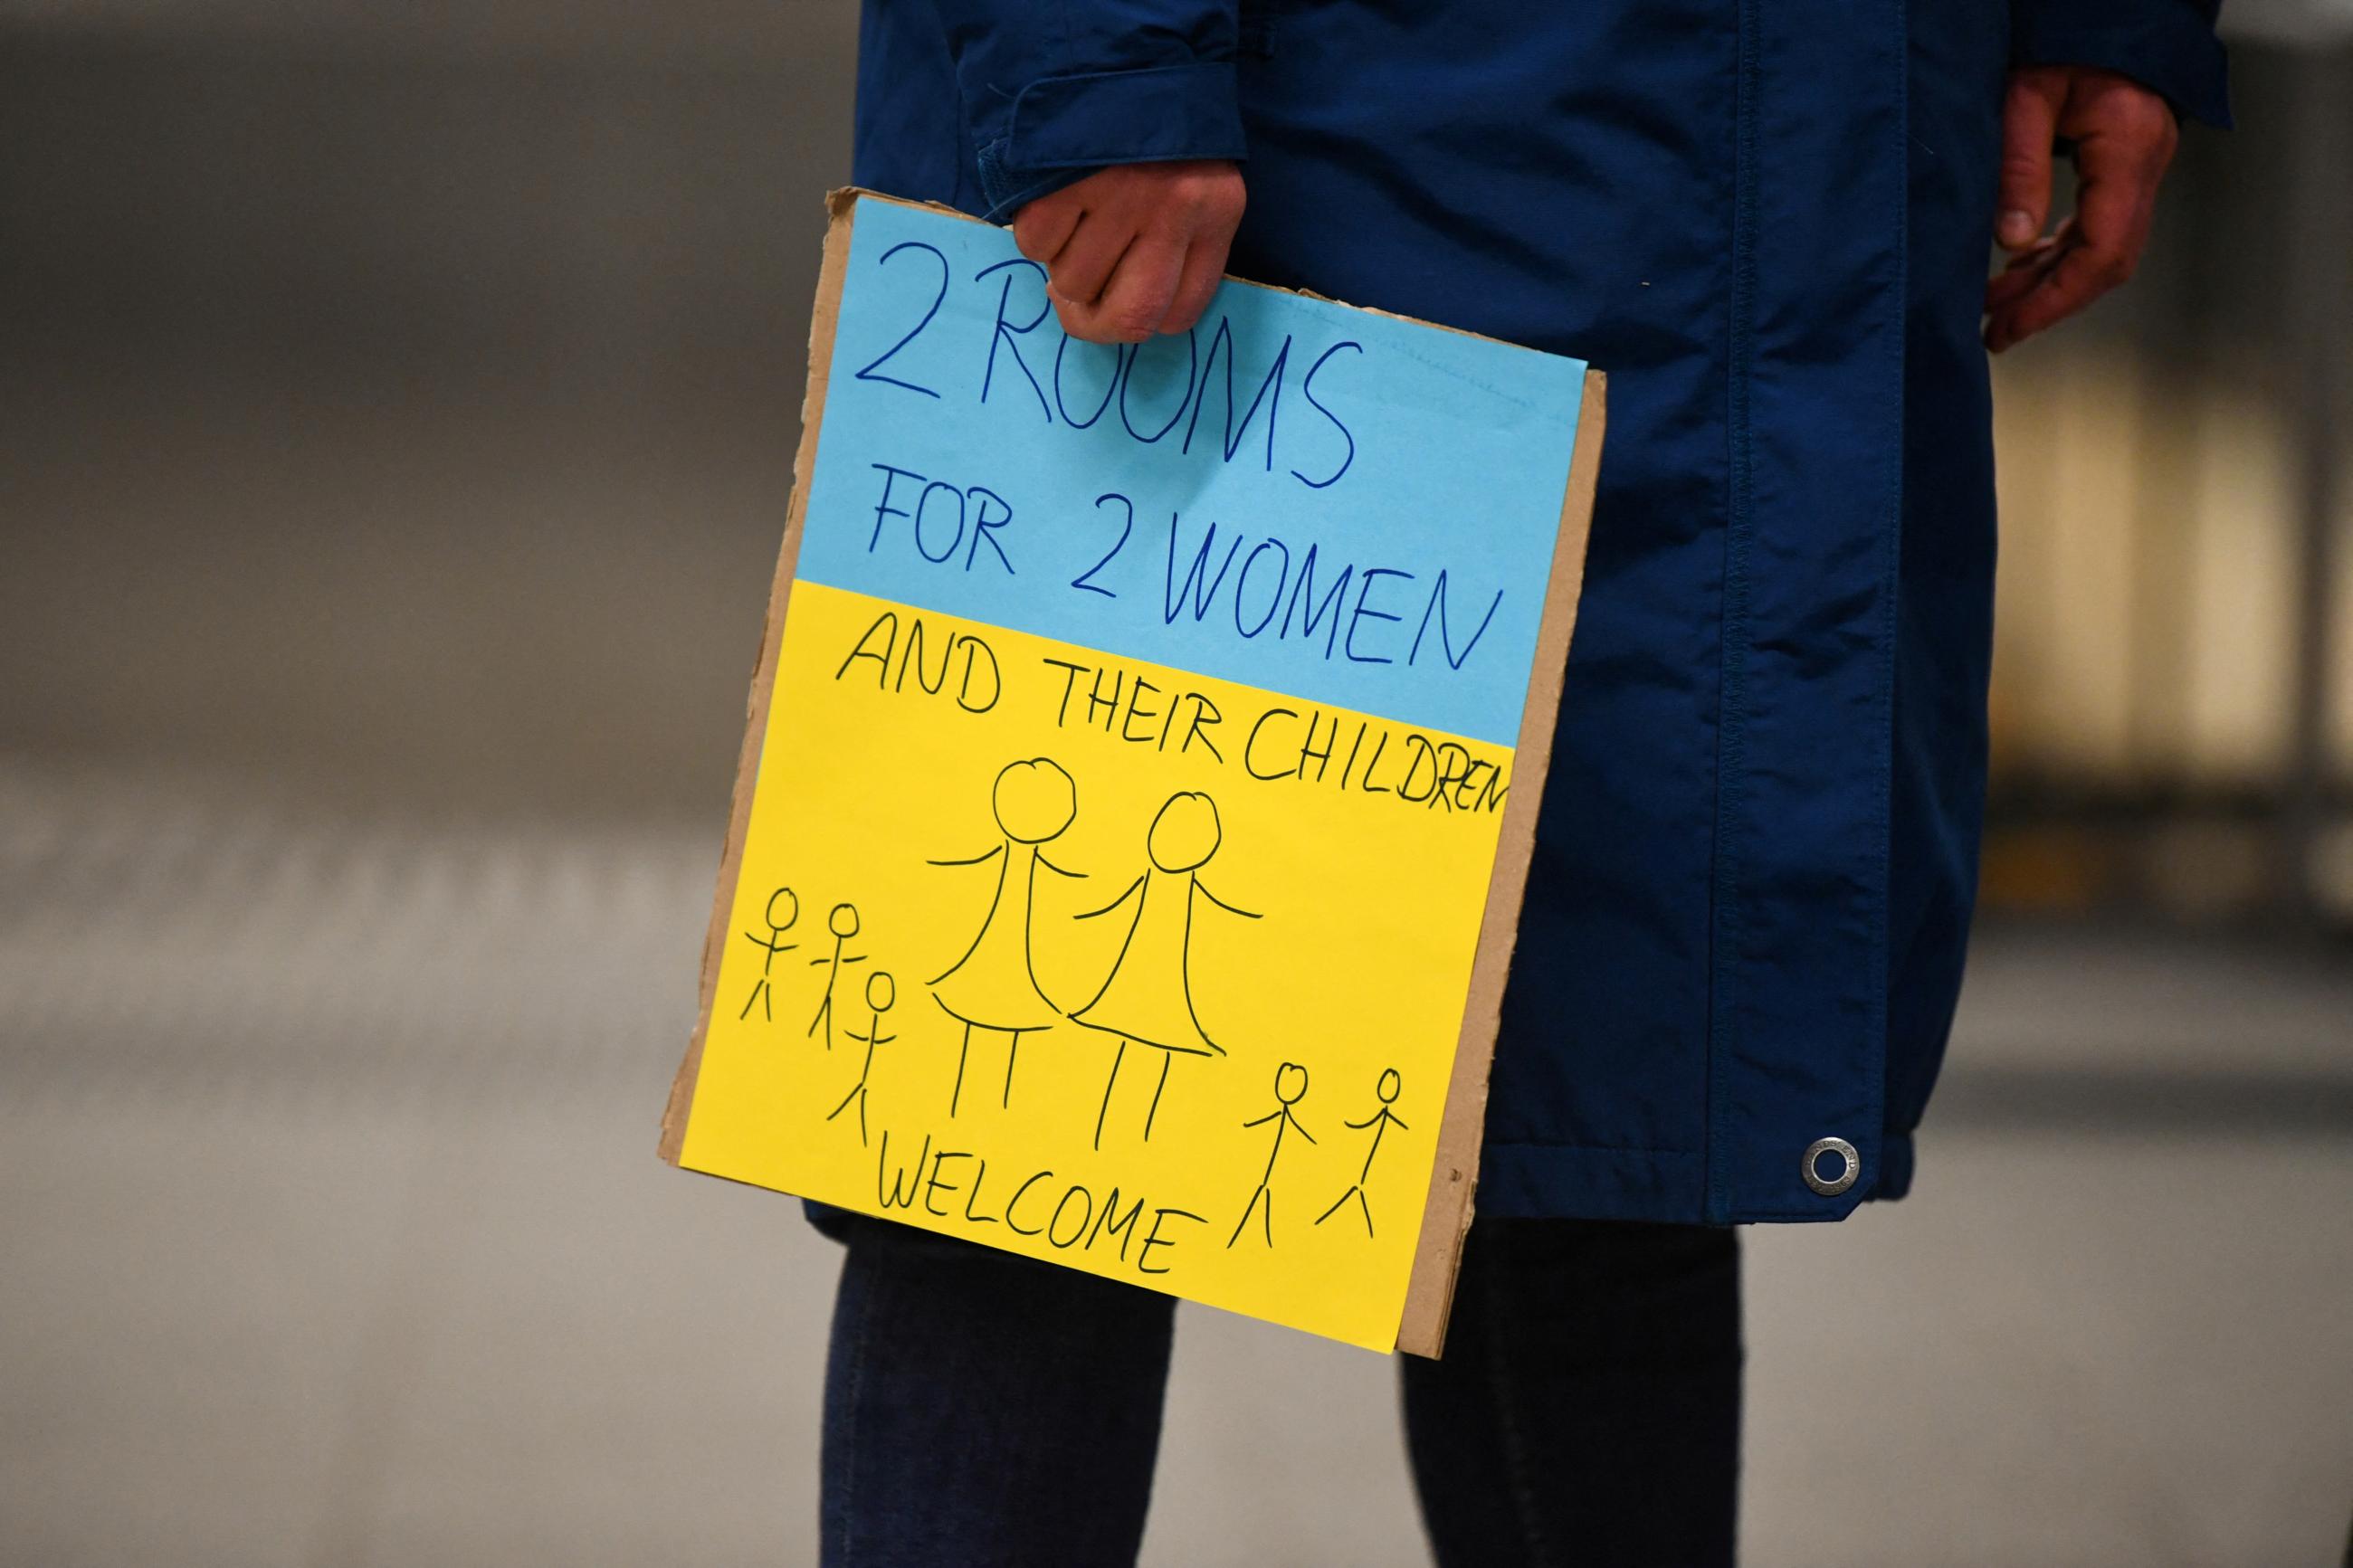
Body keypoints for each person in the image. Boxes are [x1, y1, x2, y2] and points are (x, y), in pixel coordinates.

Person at [815, 3, 2230, 1563]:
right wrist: (1096, 54)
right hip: (1296, 112)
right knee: (1027, 1117)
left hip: (1733, 167)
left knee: (1621, 1108)